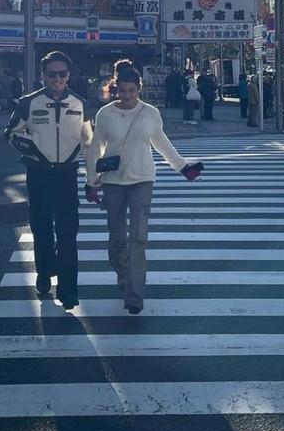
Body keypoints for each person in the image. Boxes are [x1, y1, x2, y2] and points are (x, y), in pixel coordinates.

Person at [85, 60, 203, 315]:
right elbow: (96, 148)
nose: (127, 96)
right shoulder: (105, 114)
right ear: (114, 88)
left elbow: (160, 141)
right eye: (122, 91)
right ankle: (123, 273)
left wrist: (182, 167)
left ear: (140, 89)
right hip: (113, 182)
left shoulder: (150, 113)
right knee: (117, 239)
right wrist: (91, 180)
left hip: (142, 180)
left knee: (138, 238)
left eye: (132, 91)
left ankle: (134, 295)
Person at [5, 51, 94, 310]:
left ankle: (68, 292)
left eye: (62, 74)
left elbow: (90, 143)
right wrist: (26, 146)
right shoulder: (28, 103)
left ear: (69, 76)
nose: (57, 79)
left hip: (67, 175)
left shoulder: (80, 104)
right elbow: (10, 132)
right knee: (42, 231)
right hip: (38, 173)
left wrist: (93, 179)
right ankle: (44, 272)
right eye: (51, 74)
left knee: (68, 235)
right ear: (43, 75)